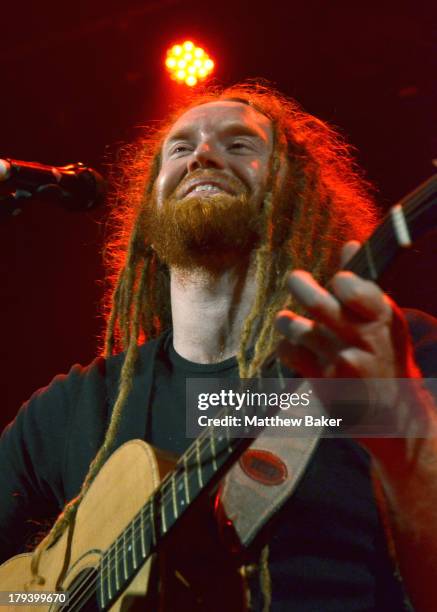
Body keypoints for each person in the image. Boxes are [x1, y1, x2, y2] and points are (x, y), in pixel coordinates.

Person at [1, 82, 437, 611]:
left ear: (295, 193)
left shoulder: (381, 352)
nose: (204, 154)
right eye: (180, 148)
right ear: (149, 201)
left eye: (240, 146)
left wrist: (406, 430)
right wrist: (42, 602)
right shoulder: (73, 407)